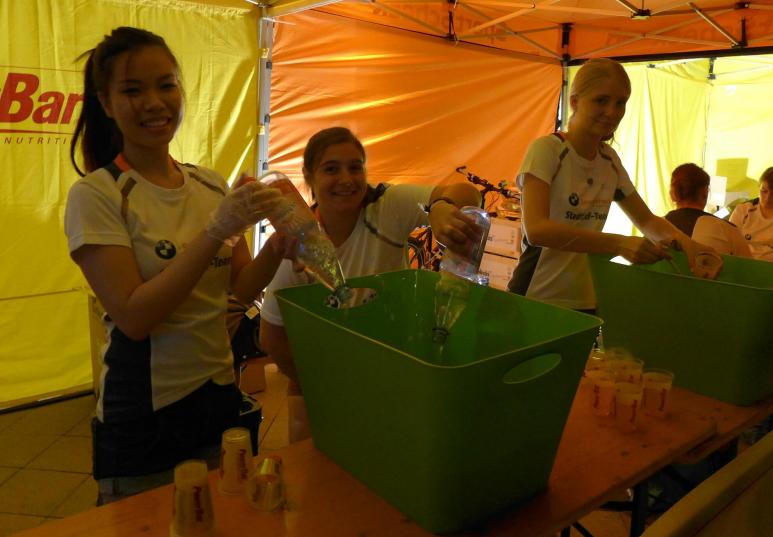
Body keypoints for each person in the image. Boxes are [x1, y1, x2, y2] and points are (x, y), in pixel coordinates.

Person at [64, 27, 291, 503]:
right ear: (106, 103)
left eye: (166, 85)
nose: (154, 102)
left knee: (225, 517)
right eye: (133, 90)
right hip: (146, 414)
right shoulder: (97, 194)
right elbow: (135, 316)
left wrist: (278, 245)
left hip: (219, 395)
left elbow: (239, 289)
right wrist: (215, 231)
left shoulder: (209, 184)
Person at [259, 126, 482, 441]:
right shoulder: (298, 245)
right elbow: (271, 337)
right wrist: (315, 383)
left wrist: (443, 207)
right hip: (321, 380)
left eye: (355, 167)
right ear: (309, 177)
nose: (346, 179)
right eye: (331, 169)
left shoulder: (387, 206)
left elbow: (467, 193)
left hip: (389, 370)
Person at [508, 58, 720, 311]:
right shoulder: (548, 150)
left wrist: (692, 246)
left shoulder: (609, 160)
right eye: (601, 100)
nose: (612, 112)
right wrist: (619, 244)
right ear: (574, 102)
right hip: (535, 296)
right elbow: (537, 230)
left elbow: (647, 221)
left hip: (585, 299)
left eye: (621, 103)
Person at [665, 163, 751, 257]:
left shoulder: (656, 228)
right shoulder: (728, 230)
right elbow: (748, 264)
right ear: (705, 192)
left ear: (673, 193)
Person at [729, 166, 773, 264]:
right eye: (764, 191)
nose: (767, 199)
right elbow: (729, 245)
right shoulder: (743, 210)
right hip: (744, 265)